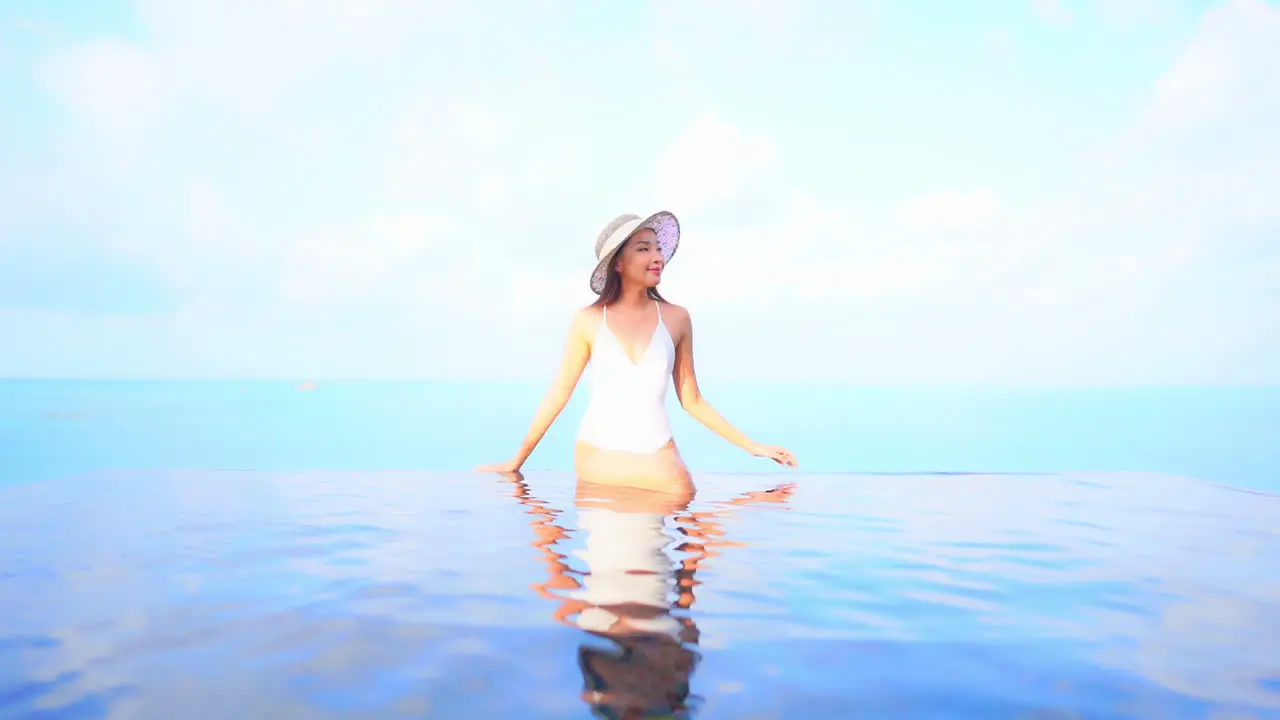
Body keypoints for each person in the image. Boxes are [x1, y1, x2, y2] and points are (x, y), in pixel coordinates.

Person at [477, 210, 797, 487]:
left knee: (689, 516)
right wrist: (516, 462)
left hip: (659, 452)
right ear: (618, 263)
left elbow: (692, 400)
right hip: (598, 451)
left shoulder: (677, 319)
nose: (658, 257)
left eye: (658, 249)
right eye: (644, 249)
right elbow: (558, 395)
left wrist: (752, 446)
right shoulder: (588, 321)